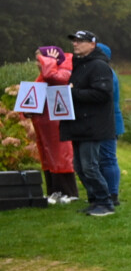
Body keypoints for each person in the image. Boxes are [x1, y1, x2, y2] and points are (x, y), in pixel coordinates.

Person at [60, 31, 117, 217]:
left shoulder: (99, 66)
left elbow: (103, 94)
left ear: (92, 44)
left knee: (90, 167)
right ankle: (94, 200)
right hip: (78, 124)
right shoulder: (79, 65)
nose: (75, 44)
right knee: (79, 167)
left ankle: (105, 203)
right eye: (74, 41)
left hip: (93, 125)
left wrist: (73, 93)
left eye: (80, 41)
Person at [31, 46, 77, 203]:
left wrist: (49, 62)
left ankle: (68, 192)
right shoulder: (43, 75)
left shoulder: (62, 71)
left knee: (61, 156)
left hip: (57, 123)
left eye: (40, 60)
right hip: (44, 124)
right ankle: (53, 190)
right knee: (48, 157)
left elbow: (54, 78)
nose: (38, 64)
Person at [94, 42, 122, 207]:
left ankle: (112, 194)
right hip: (105, 120)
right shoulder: (105, 72)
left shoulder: (107, 74)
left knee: (108, 158)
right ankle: (105, 192)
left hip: (109, 121)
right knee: (101, 159)